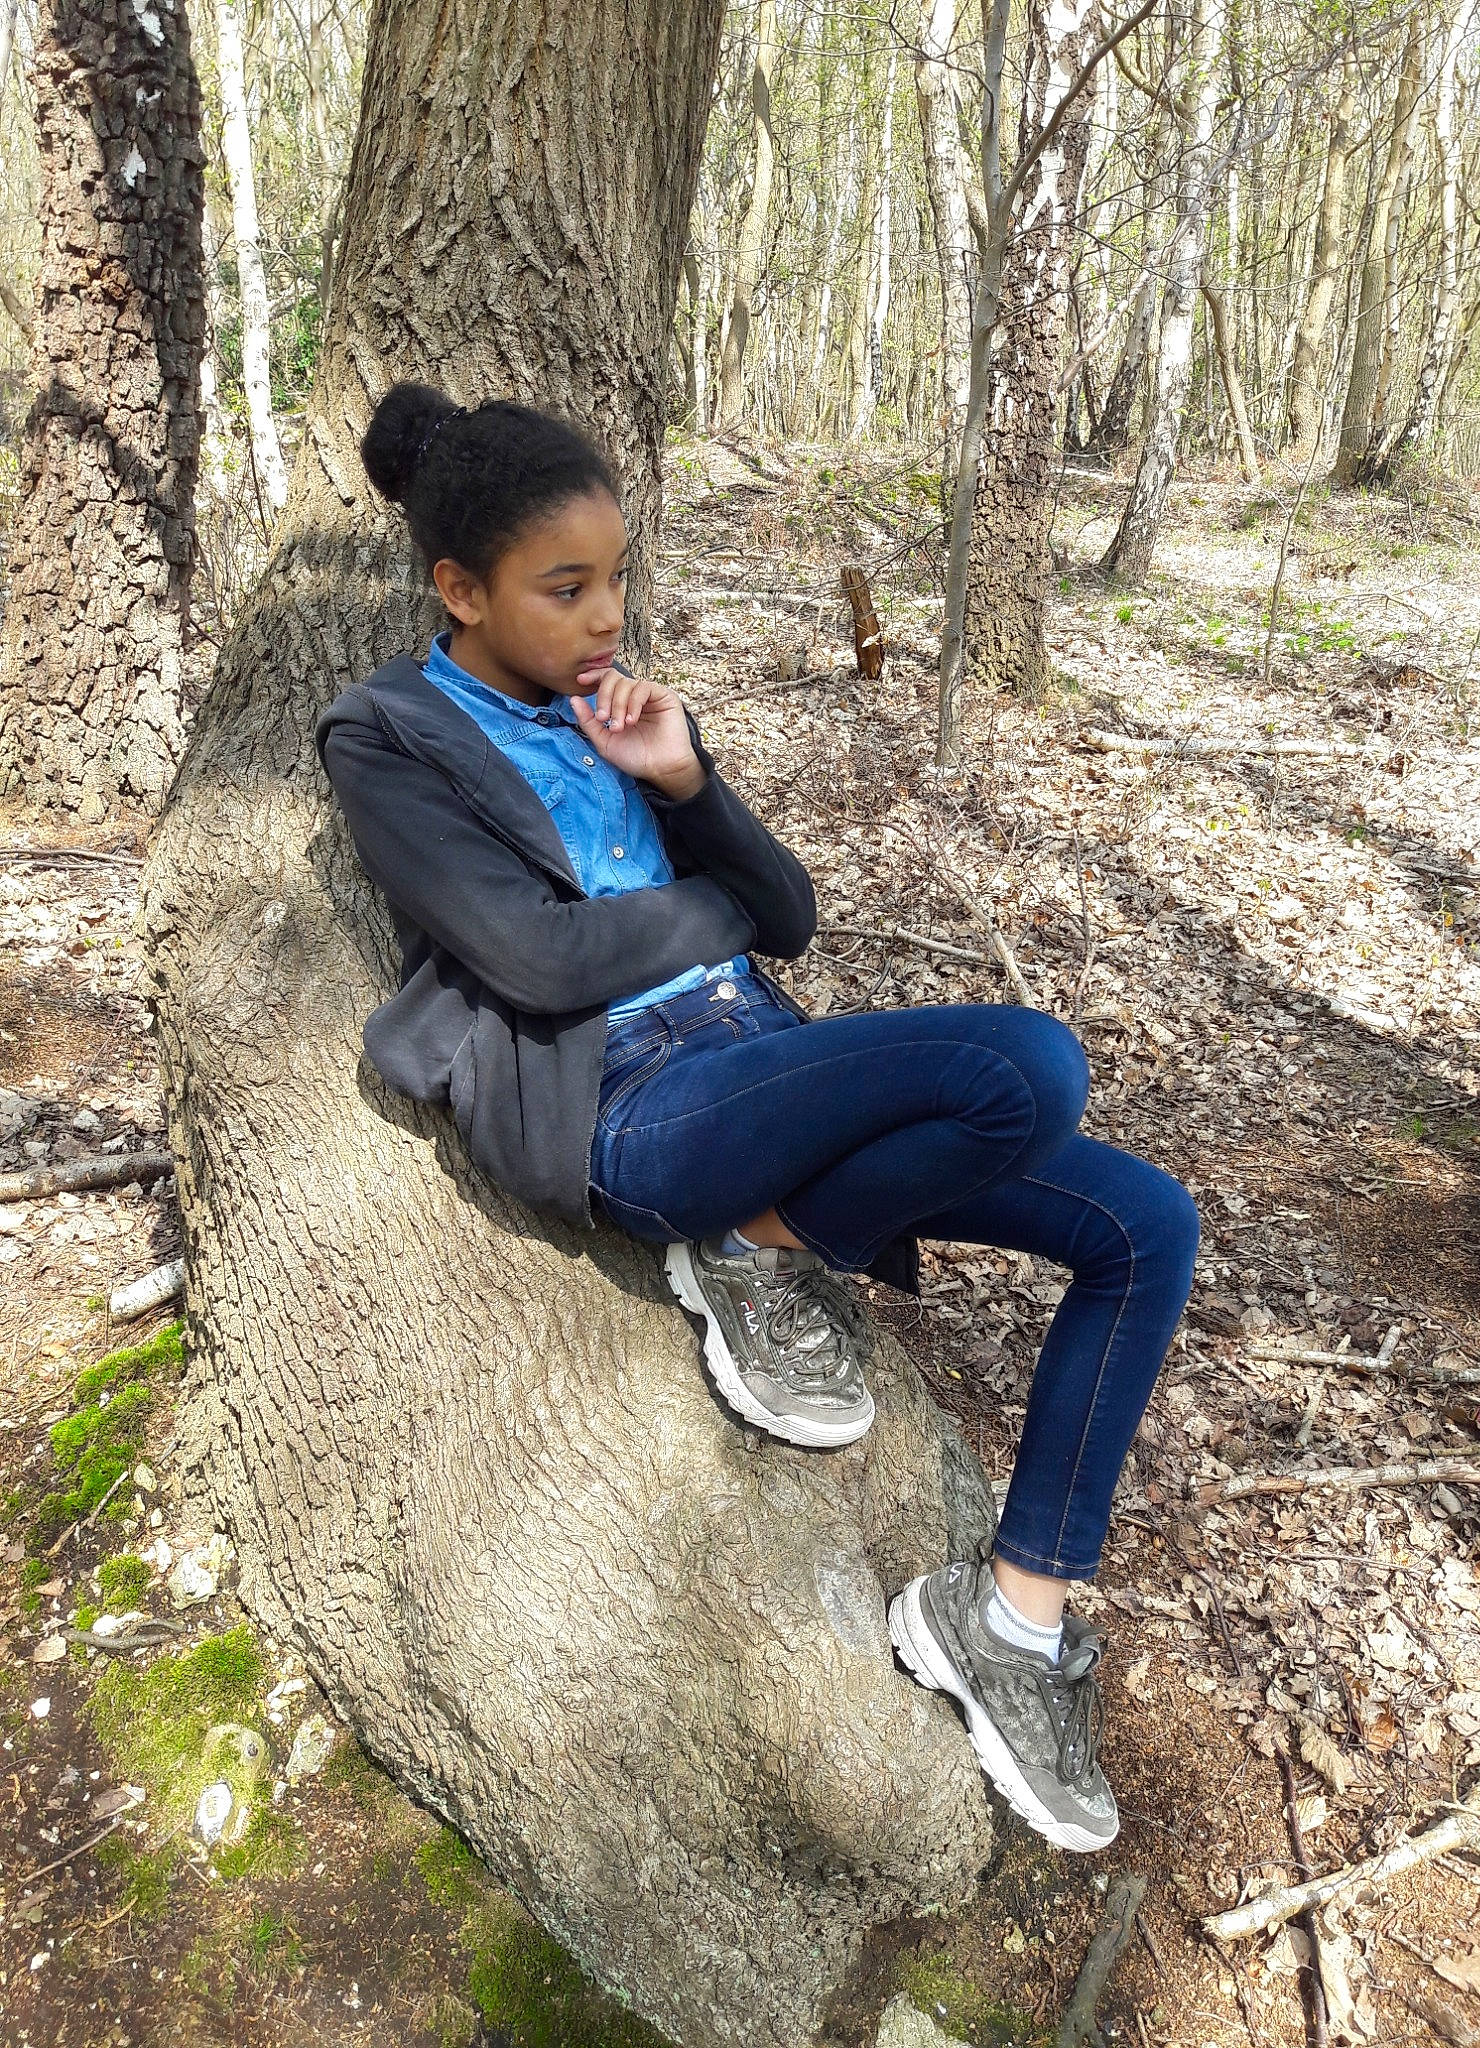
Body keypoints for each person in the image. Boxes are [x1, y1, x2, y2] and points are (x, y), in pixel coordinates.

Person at [317, 382, 1201, 1856]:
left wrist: (688, 781)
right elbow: (533, 958)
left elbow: (781, 915)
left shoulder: (619, 713)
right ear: (458, 591)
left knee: (1147, 1225)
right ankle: (746, 1234)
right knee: (1026, 1064)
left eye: (617, 580)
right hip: (636, 1106)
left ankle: (1012, 1621)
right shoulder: (390, 732)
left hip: (755, 1057)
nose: (607, 619)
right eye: (567, 589)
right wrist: (706, 909)